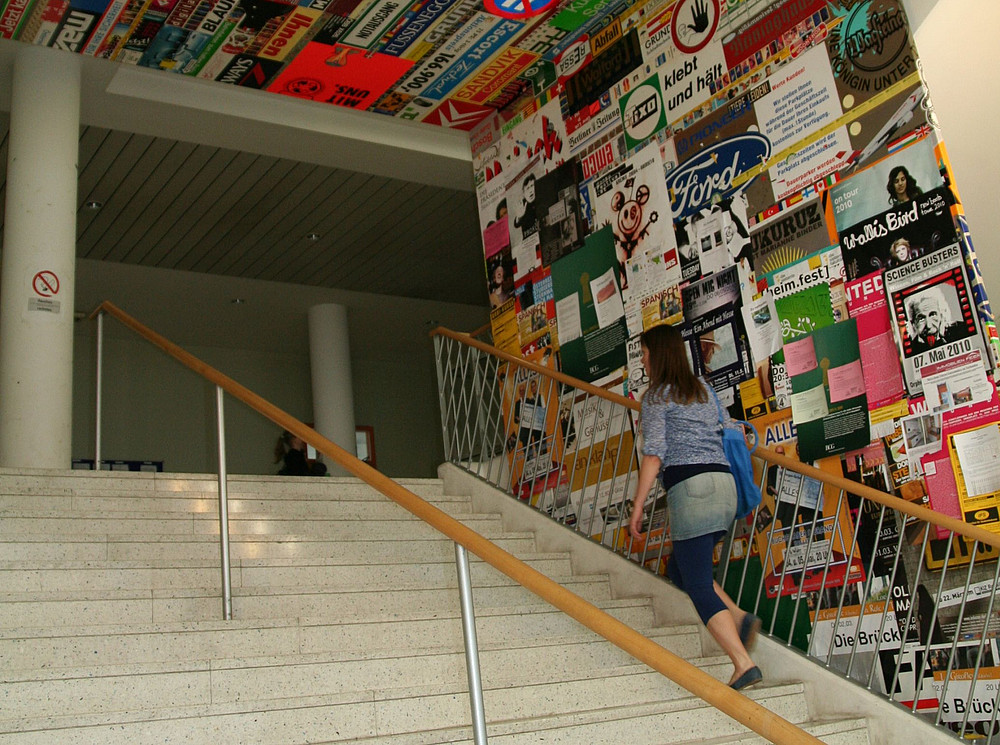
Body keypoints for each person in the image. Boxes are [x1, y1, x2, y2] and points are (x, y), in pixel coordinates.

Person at [628, 324, 762, 691]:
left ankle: (742, 663)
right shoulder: (703, 389)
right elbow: (726, 427)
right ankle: (738, 617)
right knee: (680, 569)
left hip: (693, 490)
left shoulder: (657, 397)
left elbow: (654, 455)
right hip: (724, 487)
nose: (642, 358)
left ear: (657, 354)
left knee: (699, 584)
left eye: (644, 352)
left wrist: (638, 506)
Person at [905, 286, 967, 353]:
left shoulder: (962, 330)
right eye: (921, 319)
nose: (928, 325)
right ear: (913, 324)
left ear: (942, 315)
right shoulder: (909, 349)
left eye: (933, 315)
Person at [513, 173, 538, 240]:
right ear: (523, 193)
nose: (530, 191)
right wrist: (519, 217)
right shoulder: (523, 205)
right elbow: (517, 224)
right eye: (527, 188)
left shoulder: (541, 196)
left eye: (532, 185)